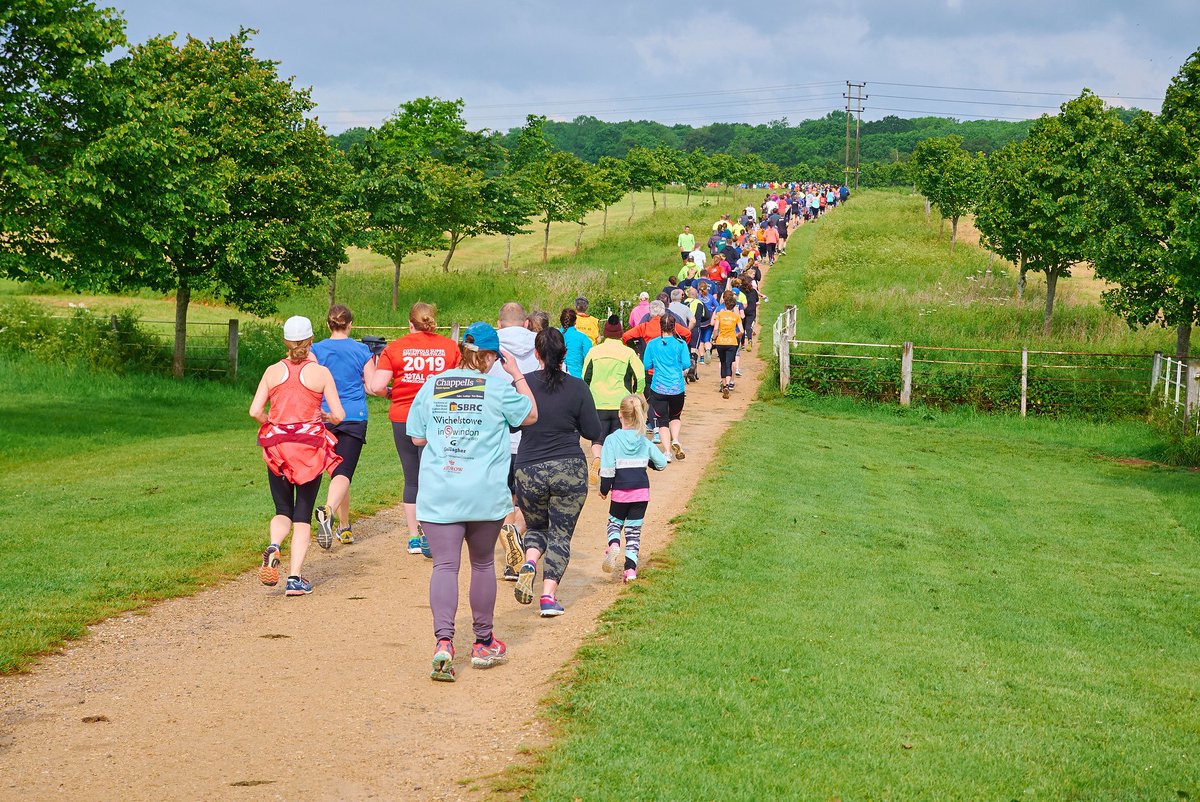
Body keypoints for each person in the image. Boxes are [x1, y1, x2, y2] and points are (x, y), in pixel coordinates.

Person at [406, 321, 538, 682]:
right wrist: (517, 376)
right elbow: (530, 415)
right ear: (492, 355)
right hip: (483, 491)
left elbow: (416, 437)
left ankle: (444, 644)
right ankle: (482, 643)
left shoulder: (433, 385)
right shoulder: (498, 386)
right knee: (481, 565)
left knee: (445, 567)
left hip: (439, 491)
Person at [250, 316, 345, 597]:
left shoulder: (272, 371)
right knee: (302, 514)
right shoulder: (320, 373)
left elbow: (255, 411)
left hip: (278, 448)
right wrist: (326, 416)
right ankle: (294, 579)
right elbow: (339, 415)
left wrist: (273, 421)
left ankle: (274, 545)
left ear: (285, 342)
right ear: (311, 341)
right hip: (308, 450)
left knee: (282, 510)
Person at [512, 328, 602, 618]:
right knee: (561, 535)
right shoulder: (577, 387)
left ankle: (529, 562)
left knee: (537, 527)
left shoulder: (523, 385)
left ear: (536, 354)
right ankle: (548, 596)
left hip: (529, 468)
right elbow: (592, 431)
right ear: (564, 354)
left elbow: (513, 424)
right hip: (568, 468)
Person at [370, 302, 460, 557]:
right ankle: (435, 532)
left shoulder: (395, 348)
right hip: (440, 417)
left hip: (404, 415)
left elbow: (377, 386)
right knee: (439, 475)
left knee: (412, 477)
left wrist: (392, 393)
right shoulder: (449, 347)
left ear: (410, 323)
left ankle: (413, 536)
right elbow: (457, 381)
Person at [311, 304, 376, 548]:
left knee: (337, 474)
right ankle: (328, 510)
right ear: (350, 325)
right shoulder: (362, 350)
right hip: (353, 415)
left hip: (325, 415)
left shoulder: (315, 350)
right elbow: (372, 386)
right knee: (344, 473)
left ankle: (344, 526)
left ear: (328, 324)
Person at [488, 302, 541, 582]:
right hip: (532, 439)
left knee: (505, 499)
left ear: (499, 323)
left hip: (499, 440)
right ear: (526, 324)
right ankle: (518, 538)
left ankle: (510, 541)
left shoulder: (490, 349)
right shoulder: (540, 345)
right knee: (529, 502)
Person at [598, 395, 667, 583]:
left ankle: (613, 544)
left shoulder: (612, 440)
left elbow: (607, 471)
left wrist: (604, 490)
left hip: (620, 492)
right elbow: (661, 463)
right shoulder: (643, 440)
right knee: (633, 531)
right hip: (641, 493)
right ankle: (630, 570)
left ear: (620, 414)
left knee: (614, 522)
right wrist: (647, 461)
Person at [583, 315, 645, 484]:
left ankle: (597, 459)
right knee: (618, 438)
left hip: (598, 401)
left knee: (598, 437)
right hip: (622, 403)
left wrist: (587, 397)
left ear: (605, 333)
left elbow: (585, 377)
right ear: (620, 333)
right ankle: (613, 474)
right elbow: (640, 377)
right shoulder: (629, 352)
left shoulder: (594, 352)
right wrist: (637, 394)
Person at [641, 312, 691, 463]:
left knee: (662, 421)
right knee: (675, 416)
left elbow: (646, 365)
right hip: (677, 388)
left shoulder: (652, 344)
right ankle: (675, 439)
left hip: (658, 388)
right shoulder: (681, 344)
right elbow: (687, 364)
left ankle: (667, 452)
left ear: (660, 327)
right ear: (674, 327)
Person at [712, 291, 744, 399]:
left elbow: (716, 328)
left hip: (721, 342)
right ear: (734, 306)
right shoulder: (736, 316)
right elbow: (742, 331)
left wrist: (714, 337)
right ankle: (728, 384)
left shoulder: (720, 314)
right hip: (732, 342)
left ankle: (724, 384)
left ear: (725, 304)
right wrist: (736, 335)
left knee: (722, 363)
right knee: (729, 363)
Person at [560, 308, 592, 378]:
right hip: (577, 377)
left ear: (561, 320)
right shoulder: (583, 338)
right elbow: (588, 359)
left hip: (556, 378)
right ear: (575, 321)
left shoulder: (553, 336)